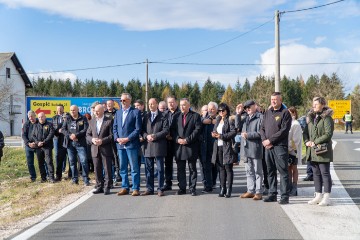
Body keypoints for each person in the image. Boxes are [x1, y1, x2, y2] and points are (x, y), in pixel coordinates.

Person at [260, 92, 292, 204]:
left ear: (280, 100)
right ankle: (272, 194)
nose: (273, 101)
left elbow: (284, 131)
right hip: (267, 147)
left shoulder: (285, 113)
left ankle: (284, 196)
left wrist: (270, 140)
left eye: (275, 99)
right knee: (270, 171)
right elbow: (262, 128)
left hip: (279, 147)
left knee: (283, 171)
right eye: (272, 99)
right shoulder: (267, 112)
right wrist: (264, 140)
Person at [304, 97, 334, 206]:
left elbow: (328, 134)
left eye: (316, 104)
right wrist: (307, 141)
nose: (314, 106)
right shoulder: (311, 117)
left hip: (323, 150)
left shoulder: (327, 118)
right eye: (313, 104)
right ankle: (318, 195)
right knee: (316, 173)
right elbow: (305, 131)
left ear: (323, 104)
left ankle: (327, 197)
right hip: (312, 150)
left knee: (324, 173)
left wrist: (315, 141)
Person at [113, 93, 142, 196]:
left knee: (134, 168)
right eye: (121, 100)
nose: (122, 102)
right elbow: (115, 128)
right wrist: (117, 138)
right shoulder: (118, 113)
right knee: (123, 167)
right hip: (120, 145)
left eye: (124, 100)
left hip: (131, 144)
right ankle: (125, 187)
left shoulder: (136, 112)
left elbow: (137, 129)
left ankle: (135, 188)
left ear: (129, 101)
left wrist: (127, 138)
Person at [172, 98, 202, 196]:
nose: (182, 107)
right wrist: (177, 139)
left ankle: (192, 188)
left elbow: (197, 130)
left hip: (191, 146)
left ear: (189, 105)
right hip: (179, 147)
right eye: (181, 105)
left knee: (192, 168)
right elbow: (173, 130)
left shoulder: (195, 116)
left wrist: (187, 140)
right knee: (180, 169)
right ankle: (182, 188)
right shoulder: (176, 116)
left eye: (184, 105)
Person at [141, 98, 169, 197]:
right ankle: (149, 188)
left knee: (160, 169)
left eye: (152, 104)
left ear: (157, 104)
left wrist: (155, 136)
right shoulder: (146, 116)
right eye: (149, 104)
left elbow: (166, 130)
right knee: (149, 169)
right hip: (148, 146)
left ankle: (160, 189)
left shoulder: (163, 116)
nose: (150, 106)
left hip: (159, 146)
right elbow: (142, 130)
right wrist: (146, 136)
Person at [86, 104, 114, 195]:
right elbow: (88, 135)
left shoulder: (109, 121)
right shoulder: (92, 121)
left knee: (107, 168)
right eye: (95, 111)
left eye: (98, 111)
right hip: (95, 149)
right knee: (97, 168)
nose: (96, 112)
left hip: (105, 148)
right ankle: (99, 186)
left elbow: (112, 136)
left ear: (103, 111)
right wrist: (92, 140)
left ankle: (107, 186)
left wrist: (102, 141)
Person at [211, 103, 237, 198]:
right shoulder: (218, 119)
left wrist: (221, 136)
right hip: (218, 146)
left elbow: (234, 132)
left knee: (228, 169)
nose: (221, 112)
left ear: (227, 111)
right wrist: (214, 134)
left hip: (227, 146)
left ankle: (229, 189)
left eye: (223, 110)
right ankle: (223, 188)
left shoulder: (230, 119)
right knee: (221, 169)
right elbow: (214, 130)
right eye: (220, 111)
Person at [240, 100, 264, 200]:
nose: (248, 109)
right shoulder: (245, 118)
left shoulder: (260, 117)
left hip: (255, 148)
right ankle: (250, 190)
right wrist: (238, 113)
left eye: (250, 106)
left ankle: (258, 192)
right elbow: (237, 127)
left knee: (258, 171)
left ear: (255, 106)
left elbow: (261, 133)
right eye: (246, 108)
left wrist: (248, 135)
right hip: (246, 148)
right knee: (249, 171)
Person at [61, 105, 90, 185]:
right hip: (70, 144)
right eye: (71, 110)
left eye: (74, 110)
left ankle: (86, 179)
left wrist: (76, 135)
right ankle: (75, 179)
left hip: (81, 143)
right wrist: (70, 135)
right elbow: (63, 129)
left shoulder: (83, 118)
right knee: (72, 162)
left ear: (77, 110)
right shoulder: (67, 119)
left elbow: (86, 129)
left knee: (84, 161)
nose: (72, 112)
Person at [162, 96, 181, 191]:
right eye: (169, 102)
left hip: (177, 142)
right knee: (168, 164)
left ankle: (180, 184)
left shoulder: (180, 114)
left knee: (179, 164)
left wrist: (173, 137)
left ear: (176, 103)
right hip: (167, 142)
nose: (171, 104)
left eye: (172, 102)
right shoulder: (164, 114)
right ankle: (168, 183)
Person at [200, 101, 218, 193]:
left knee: (215, 167)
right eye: (209, 109)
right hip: (205, 146)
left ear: (216, 110)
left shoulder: (220, 119)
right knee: (206, 166)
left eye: (212, 109)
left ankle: (213, 182)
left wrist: (216, 122)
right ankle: (208, 186)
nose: (210, 110)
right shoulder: (204, 119)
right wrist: (203, 121)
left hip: (216, 147)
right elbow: (197, 123)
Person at [32, 112, 55, 183]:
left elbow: (51, 134)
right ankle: (43, 178)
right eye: (39, 117)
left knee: (49, 162)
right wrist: (37, 142)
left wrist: (44, 142)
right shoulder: (35, 125)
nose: (40, 118)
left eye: (42, 117)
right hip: (38, 147)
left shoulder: (50, 125)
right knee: (40, 163)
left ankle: (51, 177)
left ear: (45, 117)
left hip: (47, 146)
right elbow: (33, 136)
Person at [288, 107, 303, 196]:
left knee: (294, 168)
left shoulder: (296, 124)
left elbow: (295, 140)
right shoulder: (288, 123)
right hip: (287, 149)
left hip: (293, 150)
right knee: (288, 168)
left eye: (290, 113)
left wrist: (289, 148)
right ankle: (289, 186)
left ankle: (294, 187)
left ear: (294, 113)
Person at [22, 110, 38, 182]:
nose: (31, 118)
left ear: (35, 116)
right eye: (29, 117)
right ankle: (33, 177)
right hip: (29, 146)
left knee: (42, 161)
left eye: (32, 116)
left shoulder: (39, 122)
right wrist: (28, 143)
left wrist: (36, 143)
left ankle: (45, 176)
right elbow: (24, 135)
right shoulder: (26, 124)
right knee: (30, 162)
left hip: (38, 146)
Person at [52, 104, 67, 181]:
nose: (59, 110)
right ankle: (58, 175)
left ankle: (70, 174)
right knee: (57, 155)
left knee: (67, 156)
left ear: (63, 109)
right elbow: (53, 128)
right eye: (58, 108)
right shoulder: (54, 118)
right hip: (56, 138)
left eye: (61, 108)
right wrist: (57, 131)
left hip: (65, 138)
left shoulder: (67, 117)